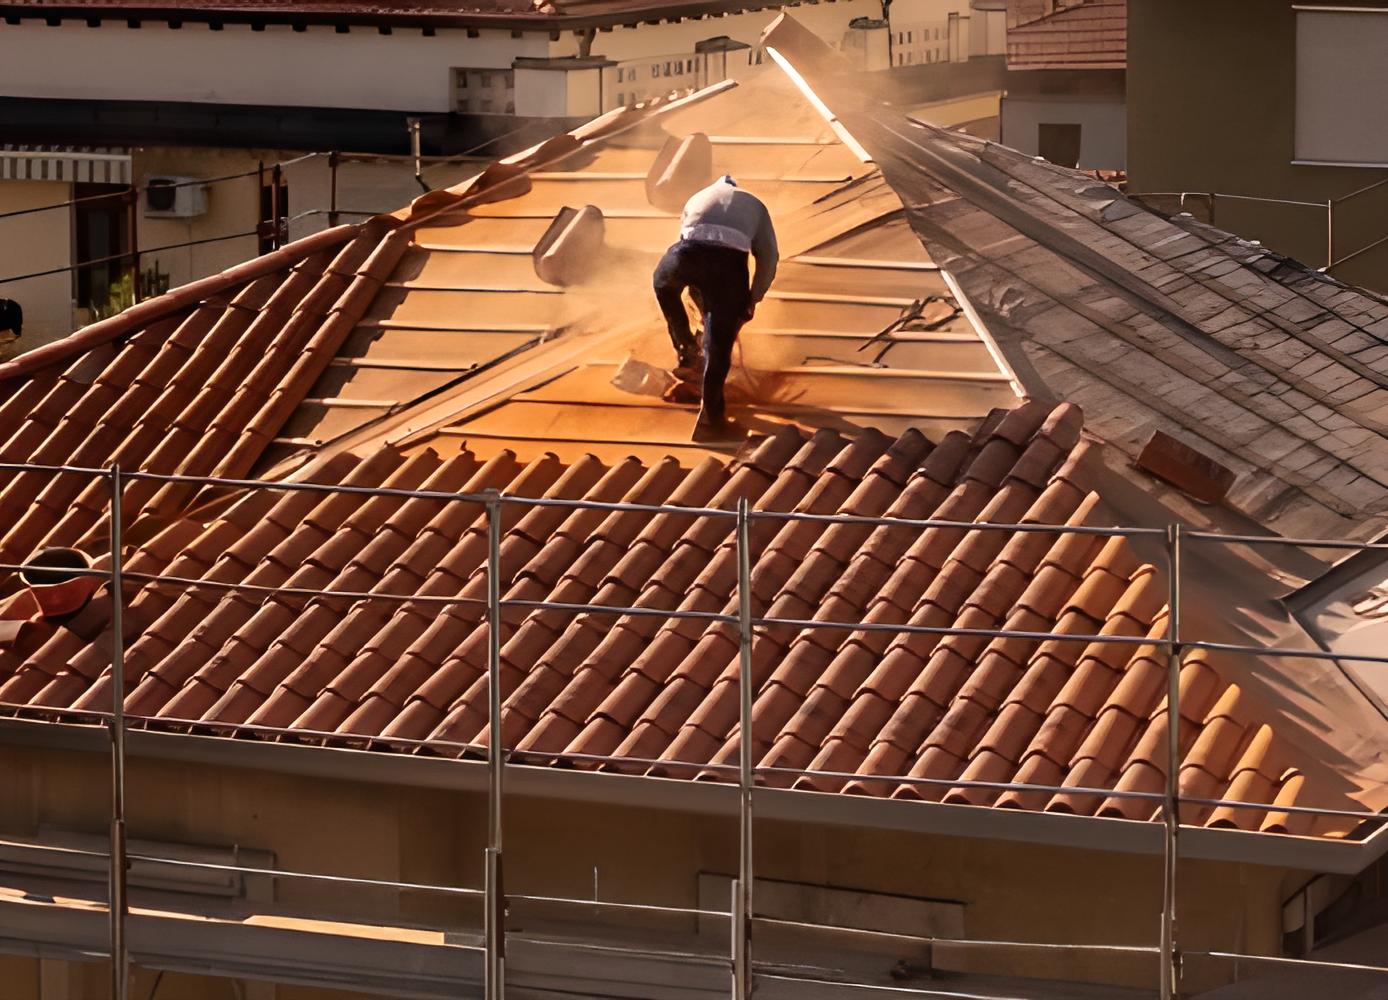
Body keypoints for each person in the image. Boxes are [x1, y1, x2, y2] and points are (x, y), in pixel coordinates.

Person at [652, 175, 778, 436]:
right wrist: (751, 299)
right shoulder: (755, 205)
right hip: (726, 266)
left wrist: (701, 301)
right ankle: (711, 422)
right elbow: (768, 257)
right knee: (717, 345)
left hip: (680, 257)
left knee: (665, 289)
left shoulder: (697, 197)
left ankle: (686, 350)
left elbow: (690, 253)